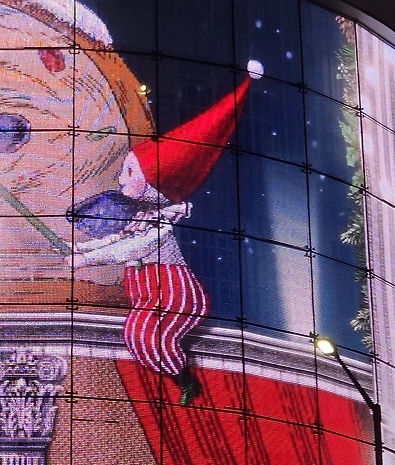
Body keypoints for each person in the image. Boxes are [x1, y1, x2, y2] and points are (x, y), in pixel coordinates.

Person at [67, 60, 262, 404]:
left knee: (143, 335)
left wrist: (87, 259)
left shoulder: (157, 224)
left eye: (130, 172)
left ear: (153, 183)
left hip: (175, 294)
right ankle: (182, 379)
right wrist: (84, 251)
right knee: (137, 334)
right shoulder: (140, 218)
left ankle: (186, 381)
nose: (121, 179)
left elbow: (131, 249)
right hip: (149, 295)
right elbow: (118, 240)